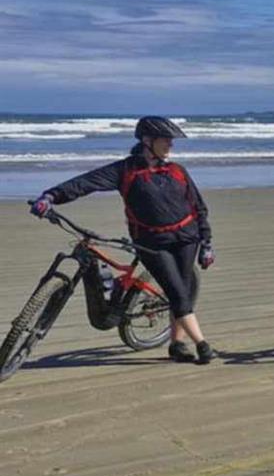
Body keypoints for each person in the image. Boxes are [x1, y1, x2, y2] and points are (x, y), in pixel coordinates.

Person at [29, 116, 217, 364]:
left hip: (187, 239)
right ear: (148, 141)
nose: (171, 144)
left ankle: (177, 344)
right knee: (177, 294)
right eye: (166, 139)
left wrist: (206, 243)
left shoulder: (177, 171)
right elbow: (86, 183)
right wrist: (51, 196)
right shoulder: (125, 171)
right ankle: (203, 345)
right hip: (151, 242)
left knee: (181, 289)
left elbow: (198, 207)